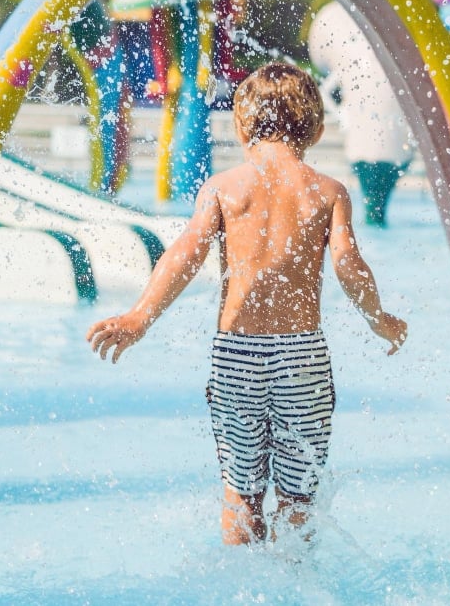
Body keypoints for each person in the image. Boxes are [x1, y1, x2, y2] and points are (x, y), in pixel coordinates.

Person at [86, 62, 407, 545]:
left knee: (240, 492)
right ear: (317, 130)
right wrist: (377, 319)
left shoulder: (223, 188)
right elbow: (348, 263)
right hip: (303, 356)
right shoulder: (327, 191)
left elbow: (184, 256)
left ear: (240, 126)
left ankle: (240, 586)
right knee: (298, 497)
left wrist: (139, 318)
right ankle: (295, 587)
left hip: (237, 354)